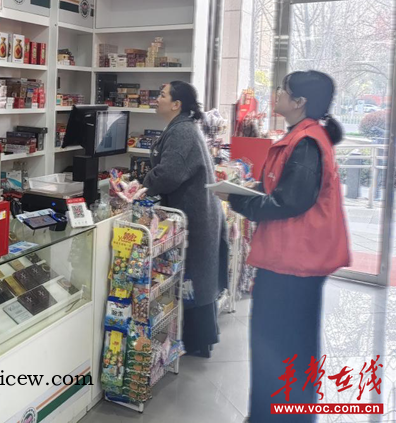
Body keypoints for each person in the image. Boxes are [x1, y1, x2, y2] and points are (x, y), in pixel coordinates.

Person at [218, 71, 350, 423]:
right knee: (285, 342)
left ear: (299, 102)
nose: (276, 94)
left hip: (293, 261)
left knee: (278, 344)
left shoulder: (307, 142)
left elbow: (289, 202)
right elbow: (280, 190)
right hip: (292, 258)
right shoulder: (302, 137)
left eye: (283, 90)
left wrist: (238, 200)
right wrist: (246, 190)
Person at [142, 81, 227, 357]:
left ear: (176, 104)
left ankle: (196, 342)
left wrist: (142, 185)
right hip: (197, 211)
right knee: (197, 278)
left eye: (162, 95)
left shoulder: (182, 131)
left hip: (195, 215)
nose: (157, 99)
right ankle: (198, 340)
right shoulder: (182, 127)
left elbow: (169, 174)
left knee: (194, 278)